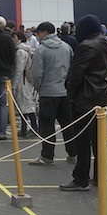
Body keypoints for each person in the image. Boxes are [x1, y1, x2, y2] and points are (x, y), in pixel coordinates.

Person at [61, 15, 107, 191]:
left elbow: (76, 74)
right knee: (100, 139)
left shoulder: (86, 46)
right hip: (102, 94)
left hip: (85, 96)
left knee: (82, 140)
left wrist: (71, 94)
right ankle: (101, 175)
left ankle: (81, 179)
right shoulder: (106, 43)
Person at [28, 21, 73, 164]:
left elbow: (36, 74)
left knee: (47, 126)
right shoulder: (66, 47)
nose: (38, 35)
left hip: (47, 93)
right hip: (64, 92)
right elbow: (72, 67)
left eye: (39, 33)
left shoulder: (41, 50)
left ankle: (47, 156)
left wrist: (38, 88)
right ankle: (73, 154)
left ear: (44, 32)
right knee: (68, 125)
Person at [12, 31, 36, 138]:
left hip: (22, 81)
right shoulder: (25, 50)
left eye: (14, 37)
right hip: (26, 81)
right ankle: (25, 128)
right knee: (25, 106)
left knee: (26, 106)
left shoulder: (20, 52)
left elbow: (19, 69)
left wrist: (14, 84)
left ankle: (32, 128)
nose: (12, 39)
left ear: (19, 39)